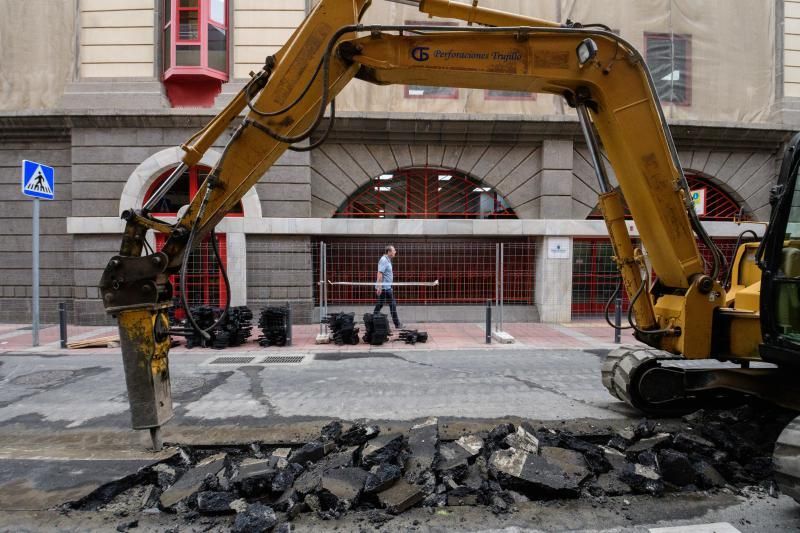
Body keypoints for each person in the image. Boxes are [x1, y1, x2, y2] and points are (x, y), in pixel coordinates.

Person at [375, 244, 403, 330]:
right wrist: (379, 287)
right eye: (394, 250)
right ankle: (397, 324)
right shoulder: (384, 260)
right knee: (392, 304)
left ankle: (373, 317)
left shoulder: (388, 260)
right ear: (389, 252)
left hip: (386, 287)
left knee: (380, 304)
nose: (395, 252)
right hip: (384, 288)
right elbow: (380, 273)